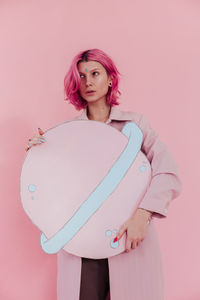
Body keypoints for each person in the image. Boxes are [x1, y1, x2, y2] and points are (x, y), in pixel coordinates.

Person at [26, 48, 182, 300]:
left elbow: (168, 172)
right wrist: (39, 157)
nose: (88, 82)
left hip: (129, 241)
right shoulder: (66, 133)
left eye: (95, 73)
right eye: (82, 77)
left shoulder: (136, 126)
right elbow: (53, 187)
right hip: (81, 247)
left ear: (110, 79)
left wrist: (143, 215)